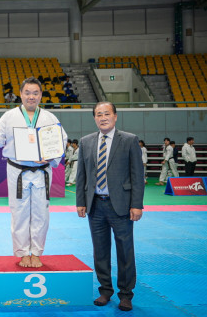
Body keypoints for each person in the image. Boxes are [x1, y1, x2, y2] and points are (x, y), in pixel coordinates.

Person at [0, 77, 67, 268]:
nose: (31, 97)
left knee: (41, 213)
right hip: (17, 170)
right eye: (27, 93)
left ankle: (36, 253)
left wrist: (50, 157)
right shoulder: (9, 116)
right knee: (19, 212)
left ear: (41, 95)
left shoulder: (50, 118)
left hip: (42, 170)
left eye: (35, 93)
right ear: (20, 94)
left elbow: (60, 142)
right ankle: (22, 253)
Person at [75, 101, 145, 312]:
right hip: (95, 205)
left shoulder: (129, 140)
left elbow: (137, 175)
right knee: (100, 251)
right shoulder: (86, 142)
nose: (103, 117)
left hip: (121, 205)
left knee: (125, 251)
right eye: (99, 114)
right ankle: (105, 290)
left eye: (107, 113)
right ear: (94, 118)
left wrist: (137, 204)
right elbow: (81, 175)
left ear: (115, 116)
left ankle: (126, 294)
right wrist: (81, 202)